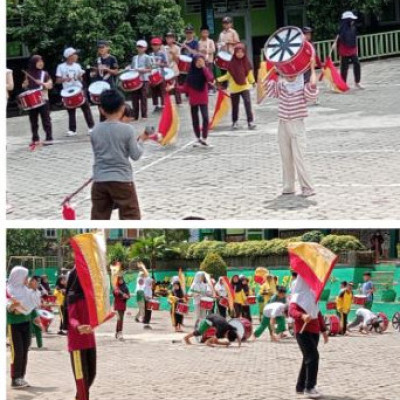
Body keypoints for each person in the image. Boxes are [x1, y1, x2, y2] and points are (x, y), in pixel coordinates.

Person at [90, 89, 149, 220]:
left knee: (99, 218)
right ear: (122, 108)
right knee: (130, 217)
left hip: (99, 180)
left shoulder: (94, 131)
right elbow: (135, 155)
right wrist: (142, 141)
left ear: (101, 110)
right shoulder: (127, 130)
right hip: (122, 180)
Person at [266, 58, 318, 197]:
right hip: (282, 123)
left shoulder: (302, 88)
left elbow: (313, 85)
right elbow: (265, 83)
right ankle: (288, 186)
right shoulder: (282, 86)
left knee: (299, 157)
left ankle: (308, 187)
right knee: (286, 157)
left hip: (297, 124)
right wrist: (276, 68)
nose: (290, 76)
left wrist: (312, 67)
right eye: (288, 74)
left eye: (293, 74)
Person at [289, 276, 328, 399]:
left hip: (314, 332)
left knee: (308, 358)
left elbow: (318, 313)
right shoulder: (296, 297)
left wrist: (324, 330)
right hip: (302, 331)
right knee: (313, 356)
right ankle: (309, 387)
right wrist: (302, 315)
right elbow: (291, 311)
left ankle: (300, 386)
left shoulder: (312, 296)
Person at [7, 266, 42, 388]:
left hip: (26, 324)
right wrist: (12, 307)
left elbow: (33, 304)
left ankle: (21, 377)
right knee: (18, 352)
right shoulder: (8, 290)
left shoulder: (26, 290)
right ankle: (15, 378)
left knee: (25, 351)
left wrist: (36, 317)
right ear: (18, 277)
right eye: (25, 276)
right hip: (14, 325)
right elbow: (8, 307)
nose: (27, 279)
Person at [64, 268, 96, 400]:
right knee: (81, 378)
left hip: (90, 340)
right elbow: (71, 317)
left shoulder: (90, 296)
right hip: (77, 342)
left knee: (92, 374)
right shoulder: (72, 297)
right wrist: (78, 327)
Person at [56, 47, 95, 137]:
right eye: (74, 54)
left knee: (86, 108)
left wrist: (79, 77)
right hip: (67, 90)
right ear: (69, 56)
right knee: (71, 110)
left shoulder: (77, 66)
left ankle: (91, 127)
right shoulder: (61, 67)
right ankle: (72, 130)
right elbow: (57, 80)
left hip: (78, 89)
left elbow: (81, 78)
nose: (76, 56)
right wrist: (65, 79)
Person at [216, 43, 256, 130]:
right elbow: (227, 76)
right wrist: (218, 80)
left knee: (248, 103)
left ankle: (250, 122)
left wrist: (253, 82)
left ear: (244, 53)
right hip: (234, 88)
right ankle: (235, 122)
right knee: (235, 106)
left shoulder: (246, 62)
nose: (240, 54)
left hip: (245, 87)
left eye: (242, 52)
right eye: (238, 52)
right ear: (235, 53)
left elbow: (249, 74)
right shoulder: (231, 63)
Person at [177, 54, 214, 147]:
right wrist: (174, 87)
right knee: (195, 119)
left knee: (205, 118)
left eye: (201, 61)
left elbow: (210, 78)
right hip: (193, 100)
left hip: (203, 98)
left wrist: (204, 67)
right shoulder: (190, 74)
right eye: (197, 61)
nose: (199, 63)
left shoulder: (205, 71)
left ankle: (204, 138)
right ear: (194, 62)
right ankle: (198, 138)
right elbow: (185, 88)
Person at [22, 54, 53, 145]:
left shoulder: (45, 73)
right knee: (33, 120)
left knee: (46, 119)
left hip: (43, 98)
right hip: (32, 100)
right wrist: (24, 84)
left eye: (41, 61)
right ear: (33, 63)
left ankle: (49, 137)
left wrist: (42, 83)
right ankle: (35, 138)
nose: (41, 63)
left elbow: (50, 85)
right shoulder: (28, 73)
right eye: (38, 61)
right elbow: (24, 87)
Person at [91, 40, 119, 121]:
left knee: (111, 104)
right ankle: (102, 122)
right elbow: (94, 72)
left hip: (110, 84)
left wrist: (107, 69)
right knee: (100, 105)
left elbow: (116, 72)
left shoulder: (112, 58)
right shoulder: (97, 60)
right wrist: (93, 73)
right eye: (99, 48)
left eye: (102, 47)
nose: (101, 49)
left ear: (107, 48)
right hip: (100, 86)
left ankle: (113, 121)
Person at [334, 11, 363, 89]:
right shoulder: (341, 29)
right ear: (347, 20)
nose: (353, 21)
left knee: (357, 64)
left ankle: (357, 82)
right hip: (344, 50)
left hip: (352, 50)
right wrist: (335, 44)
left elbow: (354, 38)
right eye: (351, 19)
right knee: (344, 68)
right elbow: (337, 37)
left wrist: (356, 48)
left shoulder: (353, 27)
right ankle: (343, 84)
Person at [130, 40, 152, 120]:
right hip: (135, 80)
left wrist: (141, 70)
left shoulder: (147, 57)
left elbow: (149, 69)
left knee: (143, 97)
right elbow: (132, 68)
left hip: (144, 79)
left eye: (141, 47)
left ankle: (144, 115)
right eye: (138, 47)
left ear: (145, 48)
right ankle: (135, 115)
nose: (139, 48)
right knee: (134, 98)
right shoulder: (134, 58)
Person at [149, 37, 168, 112]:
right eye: (153, 44)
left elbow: (166, 64)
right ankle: (156, 105)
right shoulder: (150, 55)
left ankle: (163, 105)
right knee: (154, 91)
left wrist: (159, 64)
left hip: (161, 75)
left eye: (157, 44)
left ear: (160, 45)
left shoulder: (163, 54)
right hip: (153, 75)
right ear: (151, 45)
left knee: (162, 90)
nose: (155, 46)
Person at [164, 32, 182, 105]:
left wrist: (173, 53)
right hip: (166, 70)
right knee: (166, 87)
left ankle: (178, 101)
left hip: (174, 68)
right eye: (168, 38)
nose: (169, 39)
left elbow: (178, 61)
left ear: (174, 39)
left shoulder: (177, 48)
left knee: (176, 86)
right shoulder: (163, 48)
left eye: (171, 37)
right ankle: (166, 102)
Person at [28, 276, 44, 349]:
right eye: (34, 281)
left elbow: (39, 302)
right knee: (29, 329)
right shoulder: (27, 291)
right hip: (29, 312)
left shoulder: (38, 292)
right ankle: (28, 345)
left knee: (38, 329)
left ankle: (40, 345)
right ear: (30, 282)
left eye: (37, 282)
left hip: (36, 311)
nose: (36, 283)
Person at [113, 274, 130, 339]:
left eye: (122, 280)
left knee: (120, 319)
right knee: (119, 319)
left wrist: (126, 296)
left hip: (123, 305)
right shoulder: (116, 287)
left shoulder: (125, 287)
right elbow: (115, 294)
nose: (121, 281)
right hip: (117, 306)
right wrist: (117, 292)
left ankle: (117, 332)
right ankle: (119, 332)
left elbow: (129, 295)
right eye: (119, 280)